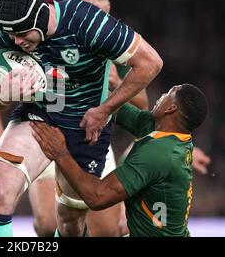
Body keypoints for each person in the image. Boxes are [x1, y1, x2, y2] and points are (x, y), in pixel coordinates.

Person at [0, 0, 211, 236]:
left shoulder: (91, 25)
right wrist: (3, 96)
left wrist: (103, 109)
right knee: (6, 197)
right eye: (11, 36)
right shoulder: (9, 30)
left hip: (86, 127)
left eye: (22, 34)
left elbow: (150, 66)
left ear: (41, 17)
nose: (17, 42)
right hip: (42, 117)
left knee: (74, 223)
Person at [31, 83, 208, 236]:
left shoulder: (159, 153)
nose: (160, 96)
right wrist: (78, 80)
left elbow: (97, 197)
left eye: (167, 94)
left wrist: (60, 153)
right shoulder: (164, 132)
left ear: (171, 108)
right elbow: (114, 107)